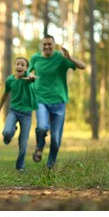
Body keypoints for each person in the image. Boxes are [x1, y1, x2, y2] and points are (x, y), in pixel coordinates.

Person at [28, 35, 85, 169]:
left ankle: (50, 165)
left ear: (54, 45)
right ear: (41, 45)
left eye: (50, 44)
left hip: (59, 101)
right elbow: (28, 71)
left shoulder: (61, 58)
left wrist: (69, 58)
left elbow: (83, 66)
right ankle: (39, 147)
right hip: (41, 99)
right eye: (45, 44)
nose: (47, 47)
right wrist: (30, 75)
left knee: (56, 138)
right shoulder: (35, 58)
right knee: (41, 127)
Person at [0, 57, 37, 172]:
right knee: (6, 132)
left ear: (26, 68)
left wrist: (31, 77)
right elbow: (5, 95)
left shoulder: (28, 77)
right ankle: (11, 130)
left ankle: (20, 166)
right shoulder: (10, 80)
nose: (19, 66)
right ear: (15, 66)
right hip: (14, 111)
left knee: (23, 143)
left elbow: (32, 79)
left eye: (22, 65)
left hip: (27, 114)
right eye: (17, 64)